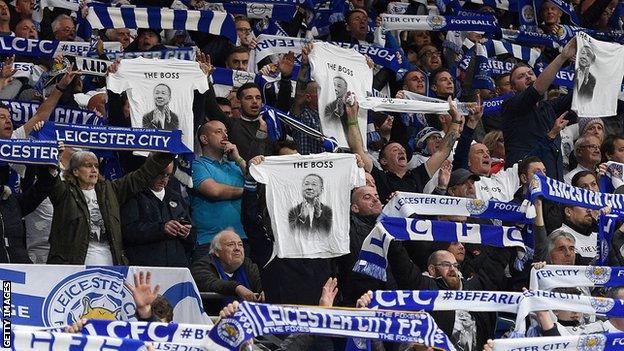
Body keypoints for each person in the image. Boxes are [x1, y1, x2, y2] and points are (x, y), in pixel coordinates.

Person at [45, 151, 175, 265]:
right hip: (73, 267)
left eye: (96, 166)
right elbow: (49, 181)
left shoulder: (110, 190)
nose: (94, 170)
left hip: (111, 266)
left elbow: (142, 175)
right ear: (75, 171)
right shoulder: (64, 192)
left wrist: (168, 152)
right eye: (88, 165)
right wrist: (51, 159)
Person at [501, 38, 578, 181]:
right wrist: (562, 57)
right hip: (523, 183)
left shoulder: (548, 107)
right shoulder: (511, 105)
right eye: (521, 76)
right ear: (512, 88)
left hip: (553, 183)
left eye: (530, 73)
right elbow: (538, 89)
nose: (528, 77)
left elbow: (579, 94)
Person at [121, 162, 195, 267]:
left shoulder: (175, 197)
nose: (164, 179)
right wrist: (162, 229)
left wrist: (186, 233)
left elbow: (192, 232)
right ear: (149, 170)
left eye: (168, 175)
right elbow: (128, 232)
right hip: (146, 267)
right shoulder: (134, 195)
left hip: (177, 266)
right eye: (160, 174)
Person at [191, 120, 246, 260]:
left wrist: (238, 159)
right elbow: (214, 191)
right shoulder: (197, 165)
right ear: (204, 139)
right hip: (210, 242)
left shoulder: (235, 166)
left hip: (241, 240)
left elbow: (257, 182)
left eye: (226, 131)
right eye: (218, 132)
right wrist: (247, 192)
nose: (225, 135)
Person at [191, 229, 263, 303]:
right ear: (216, 251)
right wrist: (236, 288)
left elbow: (260, 281)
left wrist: (264, 290)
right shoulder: (201, 266)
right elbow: (211, 284)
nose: (237, 248)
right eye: (231, 244)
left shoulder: (248, 264)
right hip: (217, 313)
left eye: (240, 244)